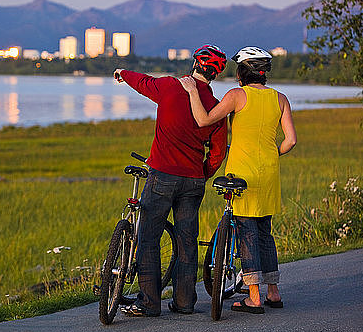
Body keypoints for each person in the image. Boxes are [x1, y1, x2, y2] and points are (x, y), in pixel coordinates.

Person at [179, 46, 297, 314]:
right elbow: (291, 141)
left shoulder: (236, 95)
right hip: (269, 171)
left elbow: (203, 120)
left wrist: (192, 91)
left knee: (247, 231)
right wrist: (271, 154)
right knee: (264, 231)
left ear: (243, 72)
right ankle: (273, 292)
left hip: (242, 172)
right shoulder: (280, 99)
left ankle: (254, 296)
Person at [114, 44, 229, 317]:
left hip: (162, 176)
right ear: (215, 74)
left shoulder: (169, 87)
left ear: (195, 65)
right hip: (193, 181)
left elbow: (143, 82)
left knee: (149, 238)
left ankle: (150, 303)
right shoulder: (215, 107)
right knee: (187, 241)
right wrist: (203, 172)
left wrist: (122, 72)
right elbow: (218, 151)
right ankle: (184, 302)